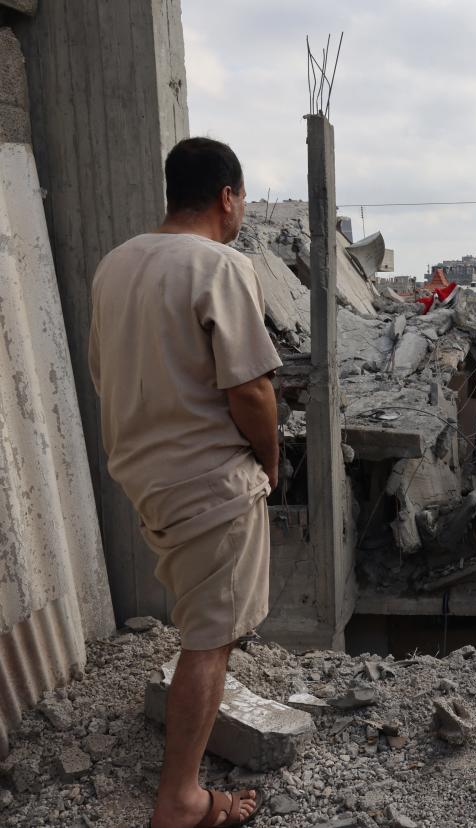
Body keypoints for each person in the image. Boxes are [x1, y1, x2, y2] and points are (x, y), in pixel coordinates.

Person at [89, 137, 281, 827]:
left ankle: (181, 778)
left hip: (146, 479)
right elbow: (252, 391)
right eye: (242, 200)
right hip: (211, 487)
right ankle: (182, 798)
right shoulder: (220, 265)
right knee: (209, 640)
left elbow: (105, 377)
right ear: (227, 198)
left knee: (199, 623)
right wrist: (272, 459)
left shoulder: (115, 265)